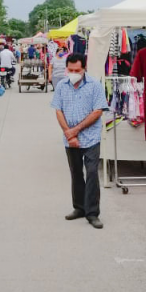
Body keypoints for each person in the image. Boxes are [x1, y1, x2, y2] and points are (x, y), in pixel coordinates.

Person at [50, 53, 108, 229]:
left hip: (91, 137)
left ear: (84, 68)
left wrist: (75, 130)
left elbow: (98, 111)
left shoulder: (94, 85)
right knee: (75, 172)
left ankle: (92, 213)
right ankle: (79, 207)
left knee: (92, 173)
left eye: (77, 70)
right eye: (70, 70)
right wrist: (69, 134)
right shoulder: (62, 86)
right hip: (70, 138)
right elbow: (58, 110)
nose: (74, 73)